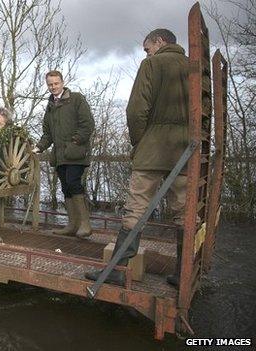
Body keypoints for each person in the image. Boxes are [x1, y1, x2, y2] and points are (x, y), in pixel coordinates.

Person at [85, 29, 190, 287]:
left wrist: (140, 142)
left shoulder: (152, 64)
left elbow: (136, 109)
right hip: (187, 150)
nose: (147, 52)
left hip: (153, 149)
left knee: (136, 209)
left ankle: (117, 270)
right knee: (184, 213)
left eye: (147, 48)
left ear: (159, 42)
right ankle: (182, 273)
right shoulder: (194, 67)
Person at [33, 70, 95, 238]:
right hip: (60, 156)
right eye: (50, 84)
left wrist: (75, 141)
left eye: (56, 83)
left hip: (75, 153)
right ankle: (72, 225)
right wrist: (38, 147)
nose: (53, 87)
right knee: (66, 187)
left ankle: (85, 225)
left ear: (62, 82)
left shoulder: (76, 99)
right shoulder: (50, 105)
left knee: (74, 183)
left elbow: (87, 124)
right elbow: (48, 134)